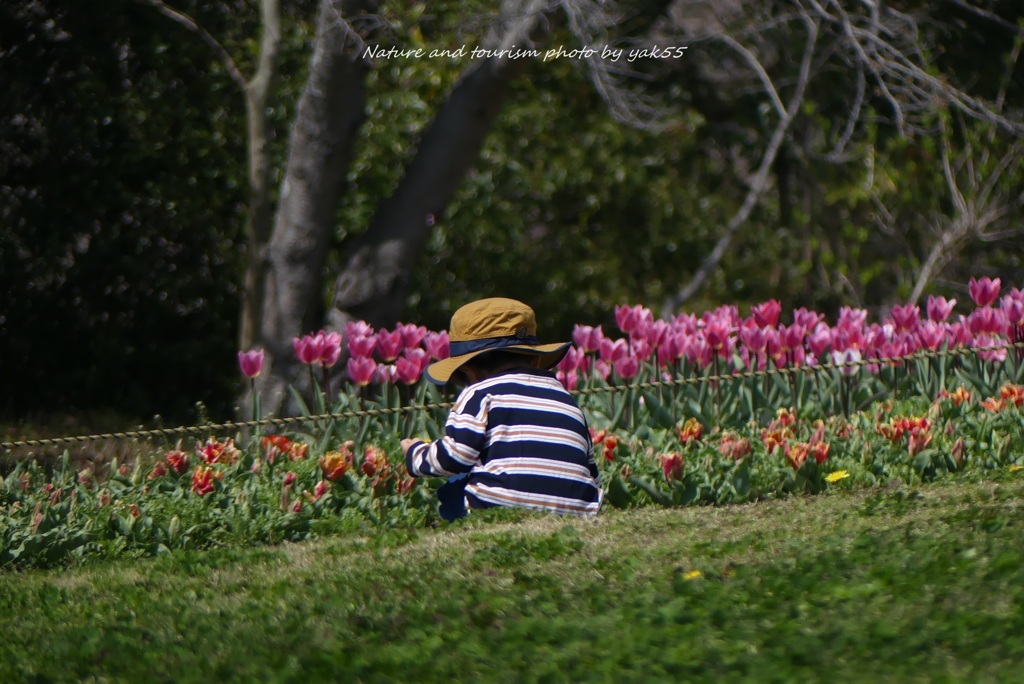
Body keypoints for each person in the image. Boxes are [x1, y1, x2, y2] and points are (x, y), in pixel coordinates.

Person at [401, 297, 603, 521]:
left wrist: (415, 454)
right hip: (578, 514)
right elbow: (591, 472)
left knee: (452, 490)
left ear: (468, 371)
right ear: (536, 360)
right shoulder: (566, 399)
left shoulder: (479, 393)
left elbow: (456, 456)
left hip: (501, 509)